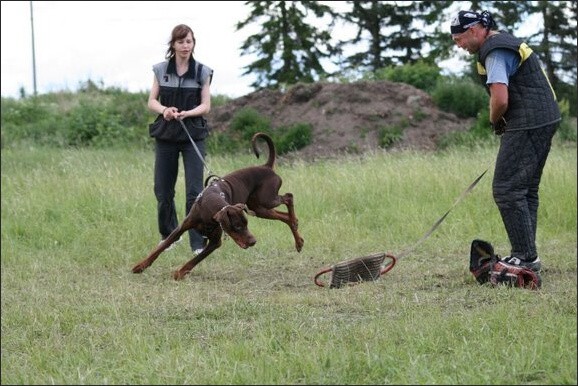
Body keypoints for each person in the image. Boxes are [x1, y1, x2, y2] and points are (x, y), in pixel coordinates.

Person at [450, 10, 561, 276]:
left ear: (475, 30)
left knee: (506, 189)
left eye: (459, 40)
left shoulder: (495, 50)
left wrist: (495, 121)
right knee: (524, 190)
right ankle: (527, 255)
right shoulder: (501, 43)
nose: (459, 46)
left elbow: (500, 99)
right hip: (544, 116)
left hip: (530, 120)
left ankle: (524, 257)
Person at [147, 24, 214, 254]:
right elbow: (151, 102)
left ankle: (197, 242)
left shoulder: (203, 72)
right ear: (173, 44)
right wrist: (165, 109)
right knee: (163, 190)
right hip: (166, 135)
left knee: (195, 192)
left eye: (189, 41)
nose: (185, 46)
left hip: (192, 135)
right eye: (181, 41)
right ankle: (169, 237)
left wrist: (188, 112)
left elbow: (206, 106)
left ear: (193, 44)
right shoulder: (160, 70)